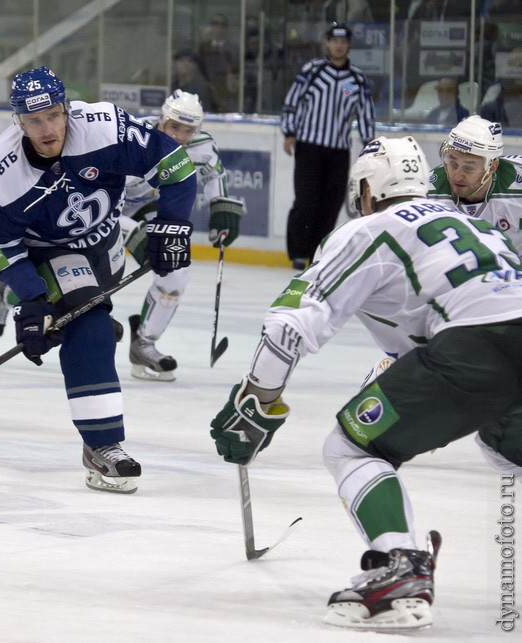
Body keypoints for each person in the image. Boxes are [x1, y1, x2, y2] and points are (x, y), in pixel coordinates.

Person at [208, 135, 522, 631]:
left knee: (351, 448)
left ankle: (402, 568)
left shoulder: (369, 230)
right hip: (493, 339)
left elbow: (291, 323)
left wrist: (255, 402)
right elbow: (414, 342)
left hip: (475, 347)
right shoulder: (469, 222)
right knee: (505, 446)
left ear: (367, 191)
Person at [0, 66, 196, 494]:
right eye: (34, 120)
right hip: (45, 250)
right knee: (89, 323)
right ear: (17, 120)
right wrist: (35, 297)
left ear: (67, 110)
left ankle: (55, 307)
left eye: (54, 115)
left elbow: (175, 163)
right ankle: (101, 445)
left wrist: (173, 225)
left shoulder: (104, 127)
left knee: (94, 314)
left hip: (107, 235)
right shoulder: (1, 174)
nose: (46, 128)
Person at [120, 90, 245, 381]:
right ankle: (8, 289)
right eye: (174, 127)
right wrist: (133, 234)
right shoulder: (133, 138)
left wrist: (221, 208)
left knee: (175, 270)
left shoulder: (202, 146)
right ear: (161, 120)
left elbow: (215, 176)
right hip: (100, 208)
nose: (179, 136)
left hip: (148, 206)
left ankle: (145, 343)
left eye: (188, 130)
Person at [281, 21, 375, 270]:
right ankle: (299, 252)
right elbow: (292, 102)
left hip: (338, 150)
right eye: (335, 41)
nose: (339, 46)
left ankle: (319, 252)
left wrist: (368, 144)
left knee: (331, 203)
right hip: (309, 146)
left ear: (348, 45)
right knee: (306, 200)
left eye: (343, 42)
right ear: (327, 44)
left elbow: (365, 113)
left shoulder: (357, 79)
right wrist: (289, 133)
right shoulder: (312, 71)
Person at [427, 115, 522, 249]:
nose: (457, 176)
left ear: (492, 167)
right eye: (453, 163)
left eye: (468, 168)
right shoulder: (426, 192)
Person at [197, 13, 240, 113]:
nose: (219, 27)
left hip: (228, 94)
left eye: (223, 24)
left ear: (227, 28)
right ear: (211, 27)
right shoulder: (203, 48)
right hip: (207, 92)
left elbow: (236, 72)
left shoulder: (234, 49)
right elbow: (199, 70)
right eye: (216, 24)